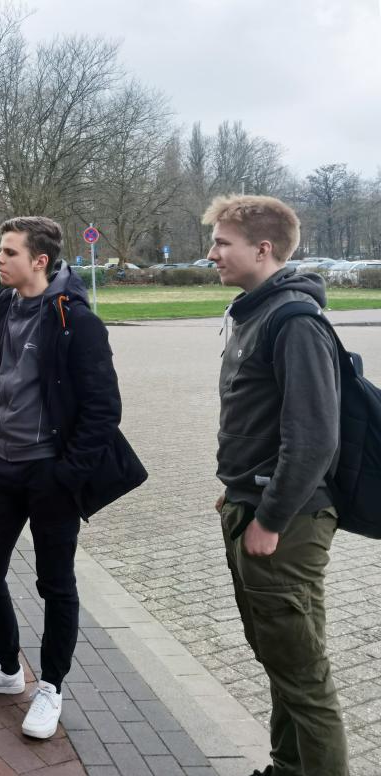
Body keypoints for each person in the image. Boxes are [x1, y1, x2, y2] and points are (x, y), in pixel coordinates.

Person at [0, 216, 139, 740]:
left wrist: (66, 474)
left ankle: (51, 686)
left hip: (50, 474)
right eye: (0, 250)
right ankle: (7, 668)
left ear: (39, 260)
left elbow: (103, 410)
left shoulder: (76, 321)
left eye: (9, 252)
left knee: (55, 584)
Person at [205, 195, 347, 776]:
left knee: (304, 677)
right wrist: (238, 491)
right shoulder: (254, 312)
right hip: (252, 507)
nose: (211, 253)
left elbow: (313, 439)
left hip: (285, 524)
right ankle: (288, 768)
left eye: (222, 243)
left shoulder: (294, 321)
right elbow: (258, 420)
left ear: (263, 249)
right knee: (281, 660)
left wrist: (270, 518)